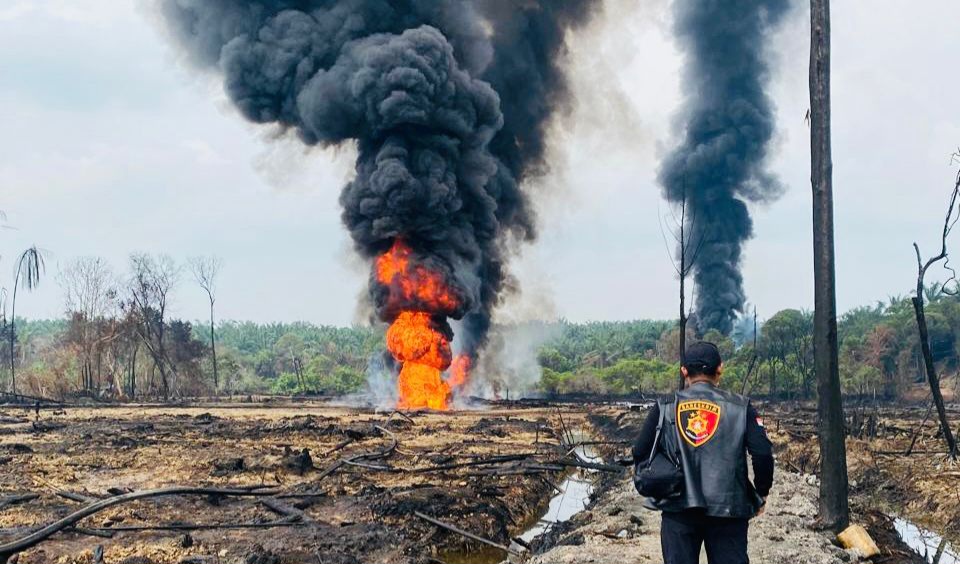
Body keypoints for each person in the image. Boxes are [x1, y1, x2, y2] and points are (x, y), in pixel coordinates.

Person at [632, 341, 774, 564]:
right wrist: (762, 493)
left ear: (684, 371)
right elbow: (763, 453)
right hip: (729, 510)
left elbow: (640, 452)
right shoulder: (741, 406)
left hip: (678, 509)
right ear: (720, 369)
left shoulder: (665, 406)